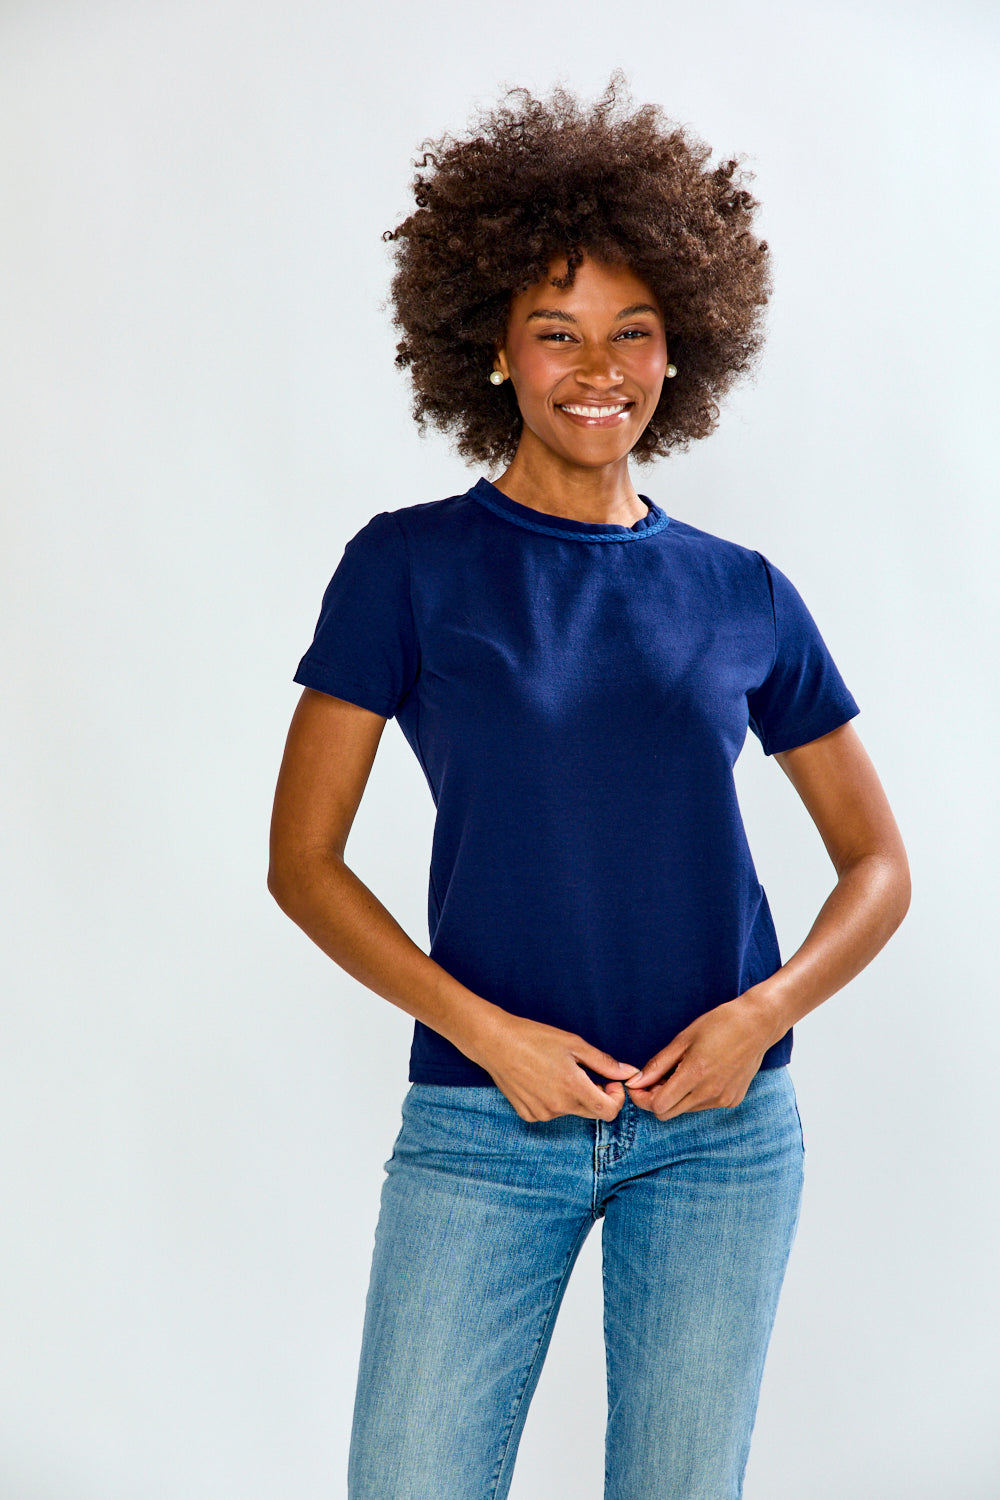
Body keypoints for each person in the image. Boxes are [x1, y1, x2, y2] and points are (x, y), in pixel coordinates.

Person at [268, 78, 910, 1500]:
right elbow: (302, 862)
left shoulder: (744, 592)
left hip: (720, 1135)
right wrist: (486, 1034)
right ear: (491, 350)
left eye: (633, 331)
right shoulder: (408, 568)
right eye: (556, 333)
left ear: (683, 346)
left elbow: (878, 865)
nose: (597, 368)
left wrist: (763, 1016)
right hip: (483, 1124)